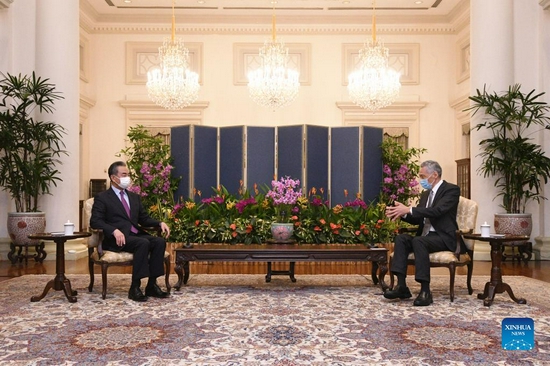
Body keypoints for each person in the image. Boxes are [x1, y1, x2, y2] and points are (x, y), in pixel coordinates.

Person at [384, 160, 462, 306]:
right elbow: (418, 218)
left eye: (422, 176)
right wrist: (403, 213)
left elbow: (438, 211)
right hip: (425, 237)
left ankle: (425, 291)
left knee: (419, 241)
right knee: (401, 239)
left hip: (443, 237)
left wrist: (409, 209)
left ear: (435, 174)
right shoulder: (425, 195)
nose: (421, 180)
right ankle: (401, 287)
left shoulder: (451, 190)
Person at [90, 161, 171, 302]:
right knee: (143, 243)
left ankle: (152, 285)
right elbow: (95, 221)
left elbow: (144, 218)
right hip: (117, 239)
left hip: (134, 235)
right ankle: (135, 288)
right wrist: (113, 230)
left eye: (128, 174)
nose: (127, 178)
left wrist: (159, 223)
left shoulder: (134, 197)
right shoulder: (102, 198)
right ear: (113, 178)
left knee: (159, 241)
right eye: (124, 174)